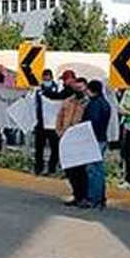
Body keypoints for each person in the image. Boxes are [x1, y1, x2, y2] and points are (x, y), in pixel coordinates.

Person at [55, 74, 89, 207]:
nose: (78, 90)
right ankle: (76, 194)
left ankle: (83, 196)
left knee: (81, 170)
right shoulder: (68, 101)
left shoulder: (88, 103)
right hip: (66, 138)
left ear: (85, 88)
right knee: (70, 170)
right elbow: (60, 117)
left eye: (81, 88)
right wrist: (59, 131)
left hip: (80, 140)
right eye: (76, 88)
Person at [80, 80, 113, 209]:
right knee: (98, 169)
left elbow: (92, 122)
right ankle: (100, 198)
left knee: (92, 170)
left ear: (91, 90)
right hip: (101, 138)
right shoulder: (104, 103)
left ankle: (93, 198)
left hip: (94, 139)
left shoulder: (94, 104)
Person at [34, 69, 65, 176]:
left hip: (53, 123)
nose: (46, 80)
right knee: (39, 147)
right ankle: (39, 168)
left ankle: (51, 167)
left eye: (48, 78)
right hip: (40, 123)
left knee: (55, 147)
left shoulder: (58, 89)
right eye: (44, 78)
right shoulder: (37, 89)